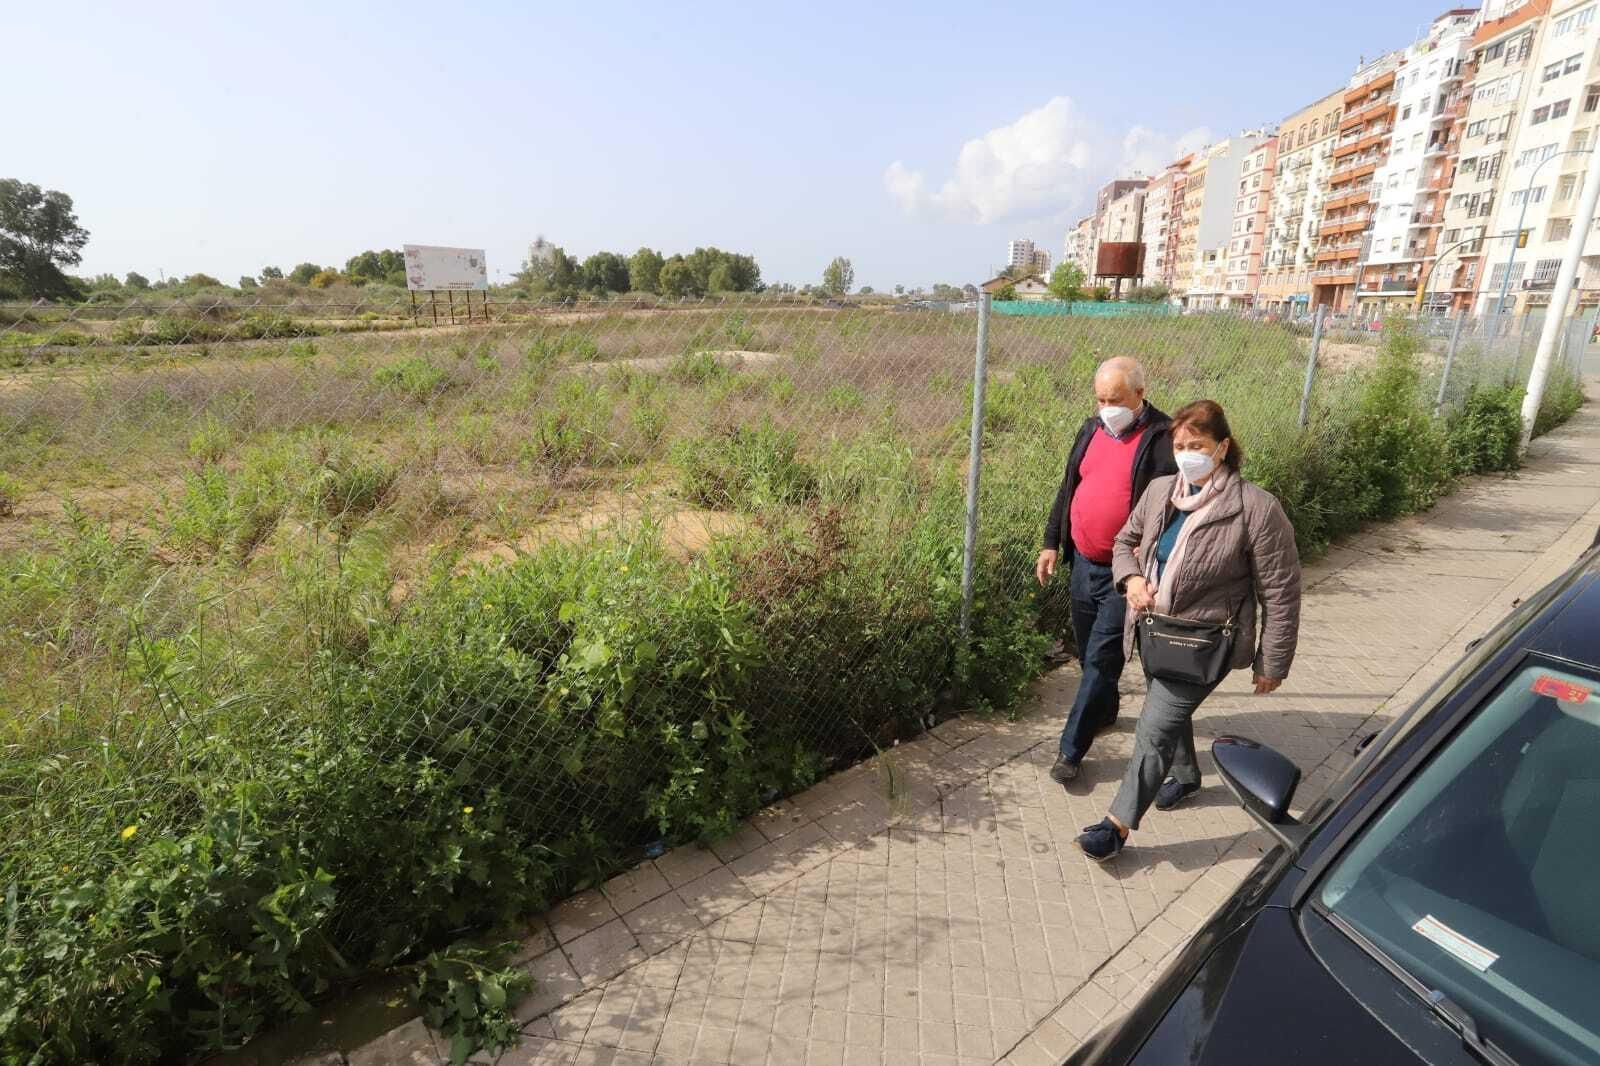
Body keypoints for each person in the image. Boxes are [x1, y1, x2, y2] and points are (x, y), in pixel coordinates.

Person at [1076, 399, 1302, 861]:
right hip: (1155, 630)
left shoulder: (1255, 508)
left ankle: (1116, 825)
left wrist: (1272, 660)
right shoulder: (1161, 491)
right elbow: (1125, 542)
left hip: (1205, 643)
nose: (1186, 454)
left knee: (1153, 727)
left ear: (1222, 448)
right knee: (1167, 711)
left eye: (1196, 445)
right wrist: (1133, 578)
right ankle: (1189, 776)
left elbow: (1280, 590)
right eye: (1180, 445)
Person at [1037, 357, 1178, 784]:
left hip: (1126, 571)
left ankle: (1070, 750)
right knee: (1088, 653)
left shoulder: (1164, 439)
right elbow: (1069, 487)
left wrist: (1150, 571)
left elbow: (1171, 511)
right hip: (1083, 563)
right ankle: (1106, 710)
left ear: (1140, 393)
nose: (1106, 407)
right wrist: (1050, 543)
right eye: (1100, 399)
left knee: (1100, 659)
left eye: (1114, 399)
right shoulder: (1090, 429)